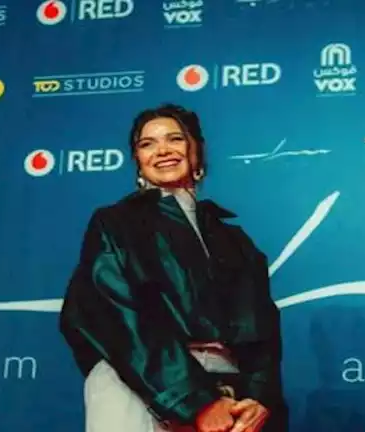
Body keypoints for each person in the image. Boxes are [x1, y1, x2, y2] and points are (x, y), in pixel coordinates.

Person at [59, 103, 289, 432]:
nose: (163, 150)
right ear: (137, 160)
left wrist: (258, 398)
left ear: (197, 151)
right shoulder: (115, 224)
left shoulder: (235, 240)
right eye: (147, 144)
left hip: (230, 398)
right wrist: (197, 402)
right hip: (138, 389)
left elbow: (263, 329)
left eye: (175, 139)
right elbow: (117, 321)